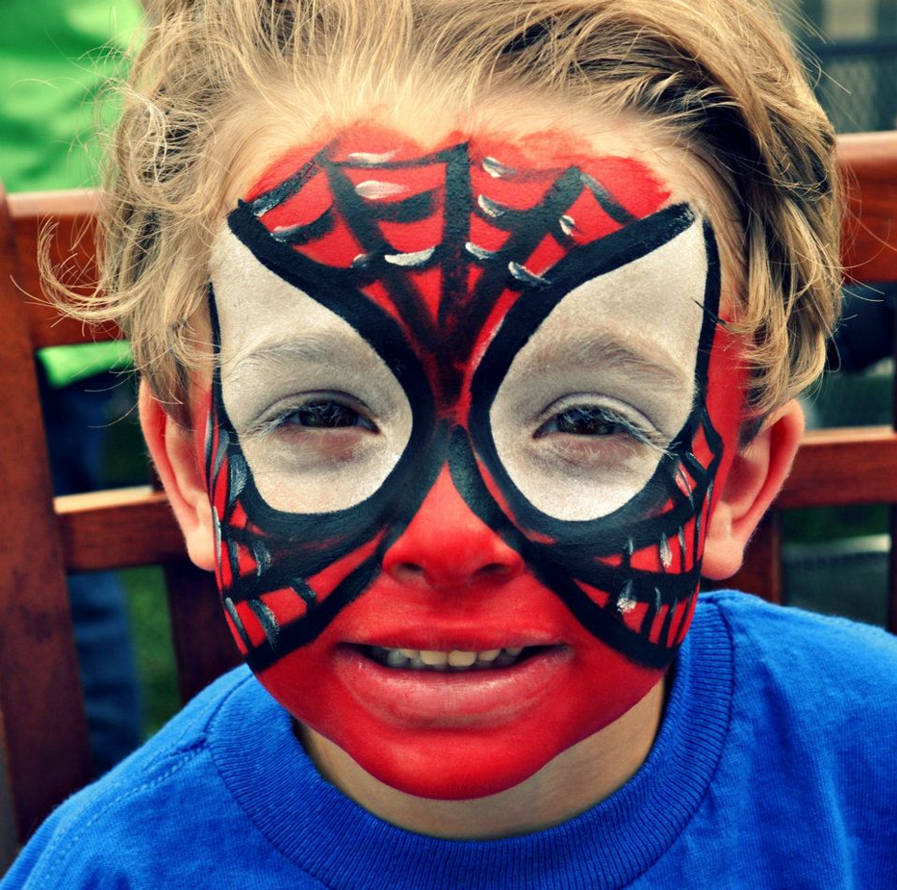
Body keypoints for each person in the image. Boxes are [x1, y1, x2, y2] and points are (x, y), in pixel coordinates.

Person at [4, 0, 896, 886]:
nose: (447, 541)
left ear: (733, 485)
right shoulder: (108, 872)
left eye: (586, 421)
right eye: (322, 414)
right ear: (195, 475)